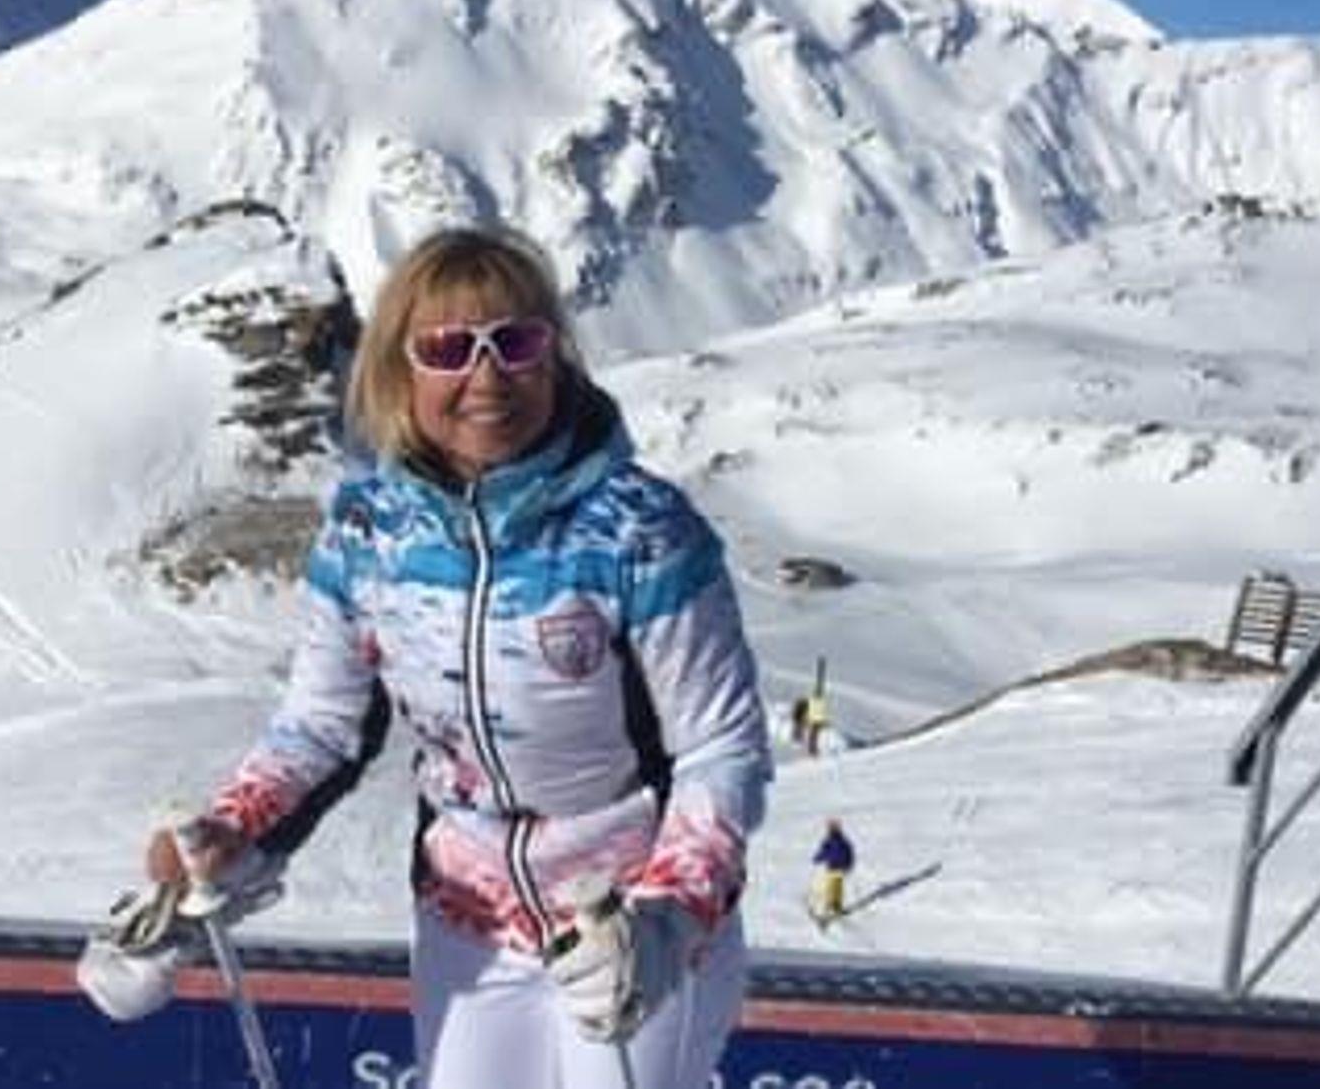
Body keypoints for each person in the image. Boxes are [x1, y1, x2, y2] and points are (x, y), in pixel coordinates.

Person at [139, 224, 771, 1089]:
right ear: (399, 369)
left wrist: (668, 918)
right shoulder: (368, 535)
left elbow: (719, 747)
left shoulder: (639, 530)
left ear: (555, 355)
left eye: (516, 343)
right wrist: (230, 829)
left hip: (626, 924)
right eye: (447, 349)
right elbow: (322, 727)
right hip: (468, 924)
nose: (487, 376)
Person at [810, 819, 854, 924]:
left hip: (840, 868)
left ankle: (836, 906)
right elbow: (823, 852)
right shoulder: (828, 841)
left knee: (838, 888)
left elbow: (849, 854)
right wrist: (817, 858)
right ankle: (827, 907)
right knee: (830, 888)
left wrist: (849, 865)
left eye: (835, 828)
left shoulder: (843, 841)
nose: (833, 830)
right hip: (832, 868)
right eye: (832, 828)